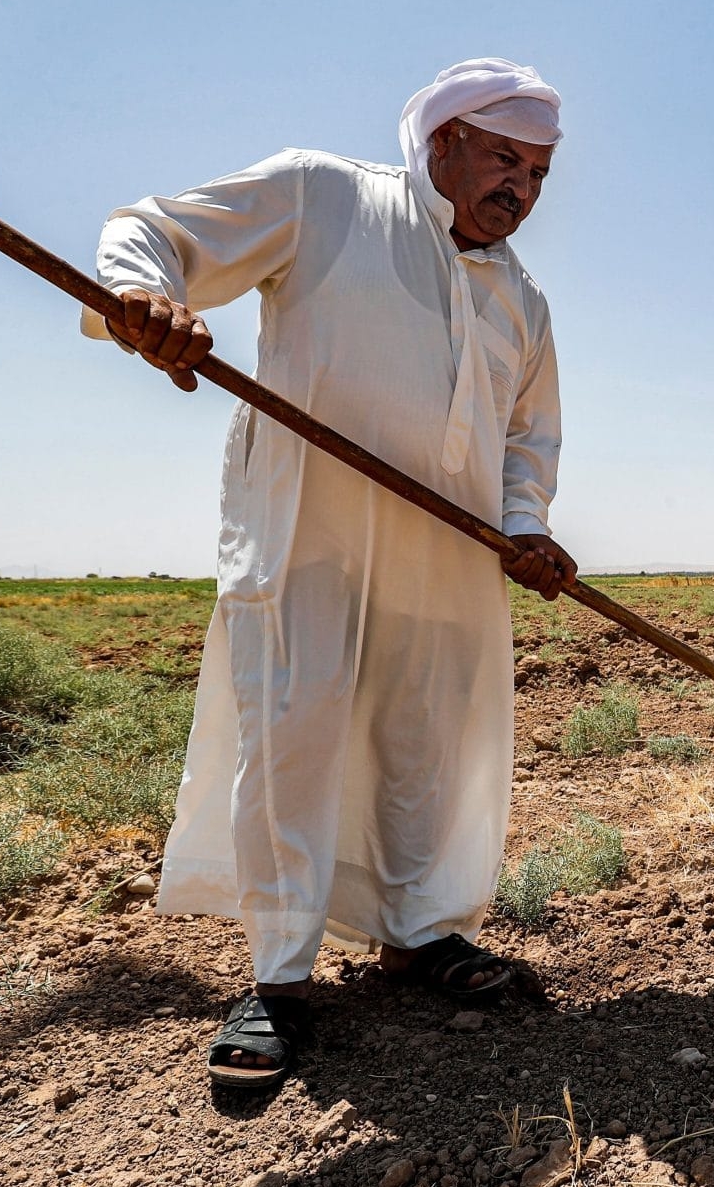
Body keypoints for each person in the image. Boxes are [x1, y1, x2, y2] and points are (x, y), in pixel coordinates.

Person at [83, 58, 577, 1089]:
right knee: (293, 734)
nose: (521, 188)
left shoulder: (521, 301)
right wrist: (145, 296)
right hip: (310, 528)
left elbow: (528, 439)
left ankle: (422, 936)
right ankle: (277, 979)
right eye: (503, 159)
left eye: (539, 172)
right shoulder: (324, 196)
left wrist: (525, 524)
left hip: (450, 551)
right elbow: (154, 230)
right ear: (440, 143)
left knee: (426, 741)